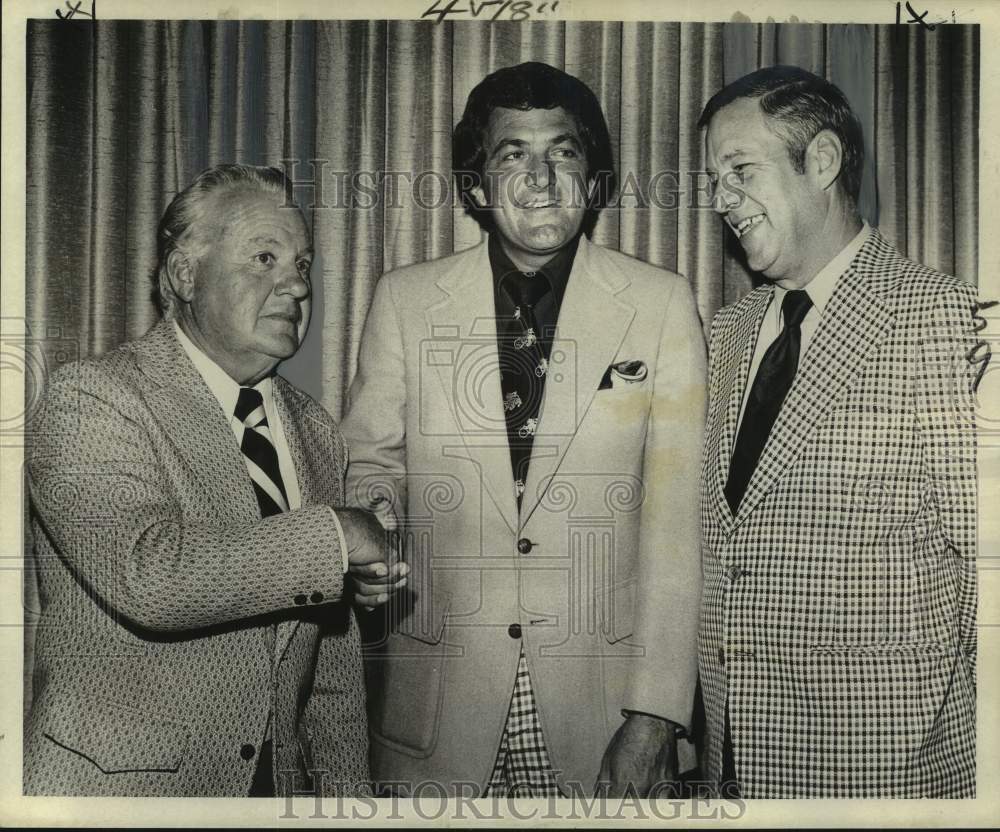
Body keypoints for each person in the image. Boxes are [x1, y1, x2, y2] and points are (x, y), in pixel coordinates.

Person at [340, 61, 706, 797]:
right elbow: (371, 460)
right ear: (475, 187)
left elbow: (679, 528)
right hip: (438, 714)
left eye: (563, 153)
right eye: (513, 155)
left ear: (594, 178)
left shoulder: (661, 304)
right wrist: (375, 531)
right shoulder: (405, 302)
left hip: (603, 717)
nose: (541, 179)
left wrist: (655, 718)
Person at [23, 164, 406, 797]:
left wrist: (346, 800)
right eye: (264, 257)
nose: (293, 285)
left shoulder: (313, 428)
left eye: (303, 265)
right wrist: (339, 533)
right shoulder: (92, 398)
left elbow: (329, 663)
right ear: (184, 275)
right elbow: (153, 576)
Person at [698, 65, 979, 798]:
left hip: (883, 775)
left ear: (821, 161)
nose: (719, 197)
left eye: (739, 170)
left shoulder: (944, 319)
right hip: (734, 767)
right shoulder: (729, 333)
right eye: (713, 178)